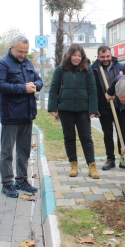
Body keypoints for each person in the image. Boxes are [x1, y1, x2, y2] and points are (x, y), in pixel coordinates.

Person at [0, 36, 43, 198]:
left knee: (24, 150)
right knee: (7, 152)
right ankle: (7, 184)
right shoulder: (2, 64)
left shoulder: (28, 63)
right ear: (12, 48)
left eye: (25, 52)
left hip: (27, 115)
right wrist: (23, 88)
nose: (23, 54)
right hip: (11, 116)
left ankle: (21, 180)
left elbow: (38, 80)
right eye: (20, 51)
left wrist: (35, 86)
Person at [48, 43, 100, 179]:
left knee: (86, 138)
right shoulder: (60, 69)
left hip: (83, 110)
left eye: (79, 55)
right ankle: (73, 165)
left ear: (82, 57)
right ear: (69, 55)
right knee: (69, 138)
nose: (76, 58)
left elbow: (93, 91)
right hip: (65, 110)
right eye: (74, 55)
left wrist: (93, 109)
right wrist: (52, 107)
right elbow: (53, 89)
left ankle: (92, 166)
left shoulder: (87, 70)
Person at [92, 45, 125, 170]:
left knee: (122, 133)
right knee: (108, 134)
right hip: (104, 107)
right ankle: (110, 159)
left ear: (111, 55)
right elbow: (93, 90)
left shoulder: (120, 67)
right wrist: (95, 107)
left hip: (120, 106)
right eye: (103, 57)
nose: (106, 59)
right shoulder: (94, 69)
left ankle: (123, 159)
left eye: (108, 56)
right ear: (98, 57)